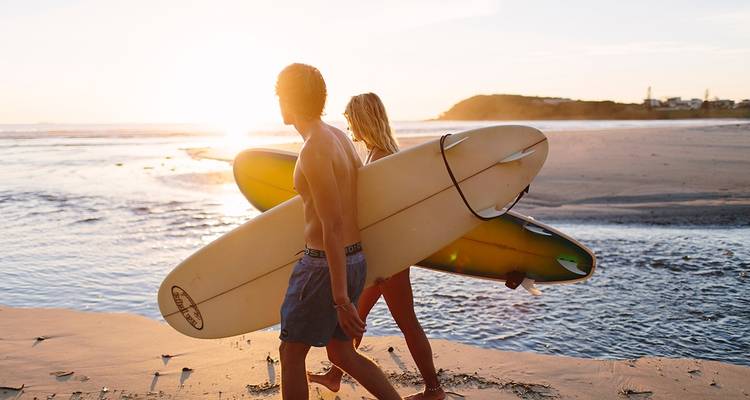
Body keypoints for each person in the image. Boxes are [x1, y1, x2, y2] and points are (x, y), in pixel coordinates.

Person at [275, 64, 401, 400]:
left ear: (288, 101)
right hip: (354, 258)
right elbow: (360, 203)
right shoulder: (339, 138)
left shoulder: (314, 149)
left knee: (290, 354)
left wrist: (341, 299)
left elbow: (331, 225)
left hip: (322, 268)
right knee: (342, 354)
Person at [308, 93, 445, 400]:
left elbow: (388, 217)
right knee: (356, 317)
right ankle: (334, 375)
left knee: (407, 322)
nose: (348, 127)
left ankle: (434, 390)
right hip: (380, 259)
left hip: (389, 261)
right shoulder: (375, 154)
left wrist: (385, 264)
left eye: (350, 120)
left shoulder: (383, 158)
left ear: (363, 120)